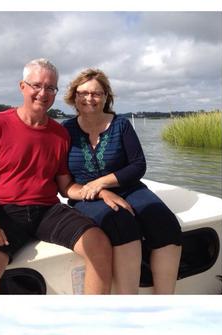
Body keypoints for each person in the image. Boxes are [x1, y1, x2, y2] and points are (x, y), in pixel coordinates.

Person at [0, 58, 112, 294]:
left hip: (47, 210)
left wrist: (98, 190)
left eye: (50, 88)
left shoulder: (60, 133)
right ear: (22, 86)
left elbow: (65, 187)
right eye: (36, 85)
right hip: (3, 210)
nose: (43, 93)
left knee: (99, 245)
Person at [59, 68, 182, 294]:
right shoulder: (65, 131)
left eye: (96, 93)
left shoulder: (121, 125)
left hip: (129, 188)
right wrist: (98, 192)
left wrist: (102, 183)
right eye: (83, 93)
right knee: (121, 223)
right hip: (86, 196)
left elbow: (138, 165)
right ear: (74, 96)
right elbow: (65, 185)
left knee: (165, 223)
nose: (89, 98)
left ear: (106, 96)